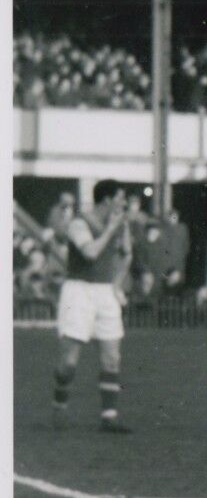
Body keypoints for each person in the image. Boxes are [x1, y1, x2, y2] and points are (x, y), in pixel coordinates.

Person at [52, 179, 133, 432]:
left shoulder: (120, 223)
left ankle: (109, 417)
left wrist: (117, 285)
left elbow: (127, 254)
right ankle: (59, 405)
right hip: (78, 291)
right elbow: (90, 253)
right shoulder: (79, 223)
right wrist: (111, 229)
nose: (123, 205)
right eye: (120, 199)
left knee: (112, 357)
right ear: (107, 200)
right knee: (69, 363)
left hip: (104, 291)